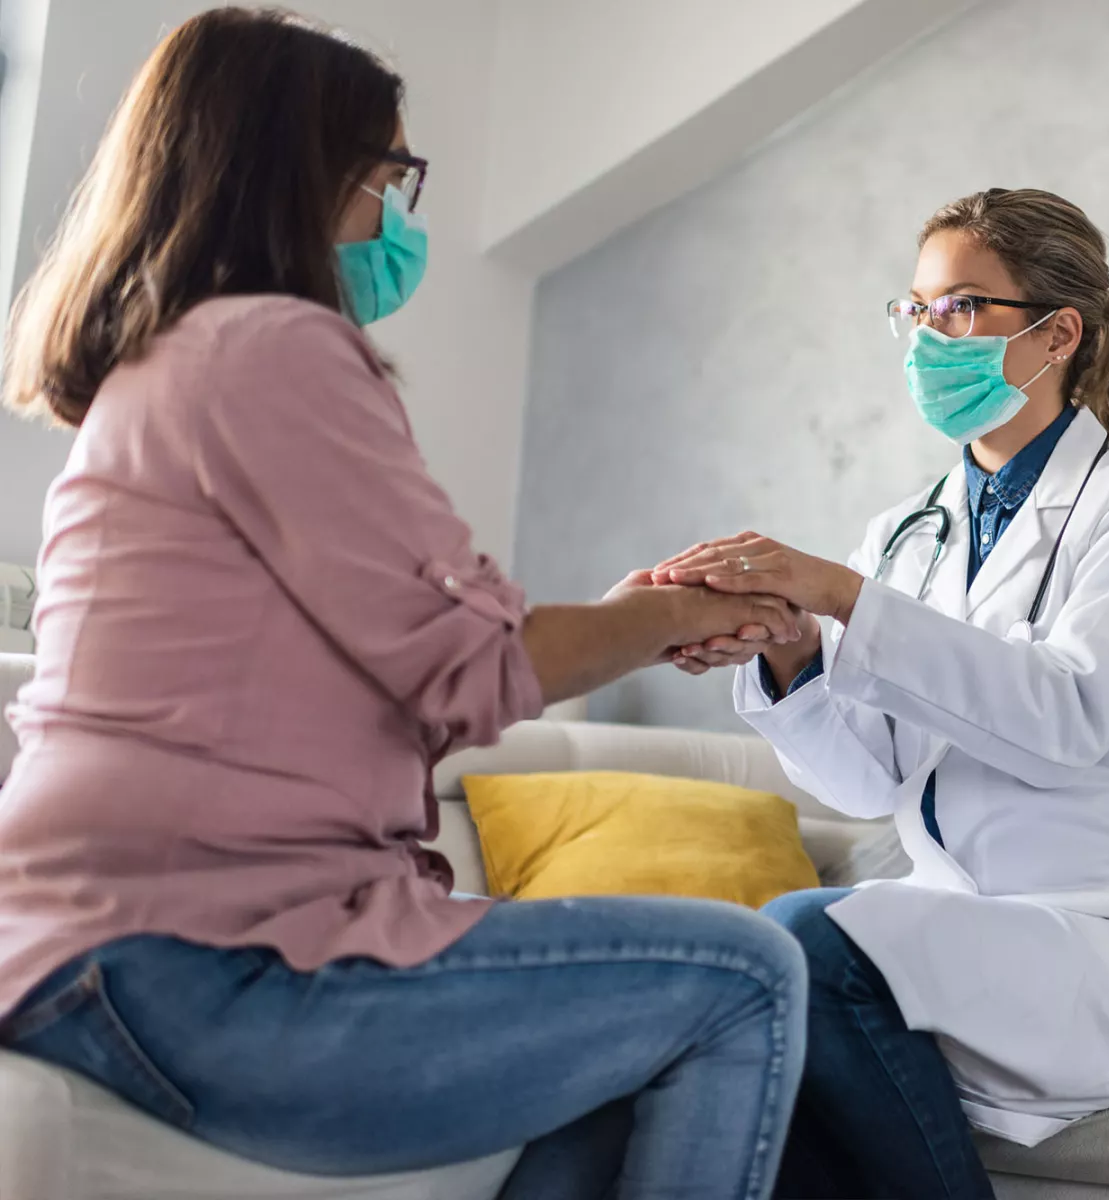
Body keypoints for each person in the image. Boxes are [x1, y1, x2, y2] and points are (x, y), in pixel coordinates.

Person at [0, 10, 811, 1198]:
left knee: (620, 1057)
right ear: (306, 171)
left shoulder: (171, 364)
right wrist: (678, 615)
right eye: (391, 174)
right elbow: (475, 665)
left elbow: (407, 671)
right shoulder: (274, 347)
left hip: (100, 944)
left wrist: (626, 618)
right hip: (190, 957)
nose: (396, 212)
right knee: (748, 972)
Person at [652, 187, 1109, 1198]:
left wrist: (844, 598)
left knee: (802, 939)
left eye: (963, 306)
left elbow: (1068, 717)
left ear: (1058, 333)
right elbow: (868, 782)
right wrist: (795, 654)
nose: (931, 337)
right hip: (957, 932)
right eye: (918, 308)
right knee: (728, 1032)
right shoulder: (905, 530)